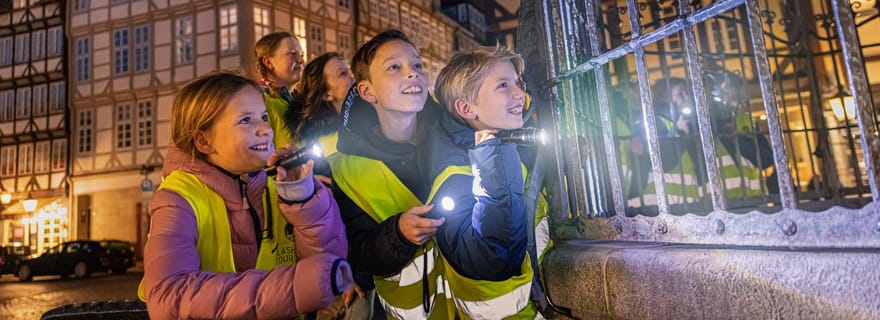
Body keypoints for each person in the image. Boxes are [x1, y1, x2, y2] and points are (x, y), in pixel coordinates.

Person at [139, 71, 352, 319]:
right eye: (246, 120)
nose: (265, 129)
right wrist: (293, 288)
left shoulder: (278, 183)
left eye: (264, 117)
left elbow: (328, 263)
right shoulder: (177, 198)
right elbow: (169, 296)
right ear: (203, 141)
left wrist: (303, 198)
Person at [327, 29, 453, 319]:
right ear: (367, 91)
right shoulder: (348, 168)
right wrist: (398, 235)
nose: (412, 73)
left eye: (417, 65)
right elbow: (358, 251)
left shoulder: (456, 136)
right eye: (394, 67)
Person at [428, 45, 551, 319]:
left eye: (518, 83)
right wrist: (492, 157)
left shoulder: (512, 145)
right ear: (466, 108)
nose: (520, 93)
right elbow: (491, 257)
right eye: (503, 85)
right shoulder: (453, 173)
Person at [288, 53, 375, 320]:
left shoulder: (367, 126)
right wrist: (341, 269)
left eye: (349, 70)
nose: (352, 76)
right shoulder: (319, 145)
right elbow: (325, 219)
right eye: (342, 74)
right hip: (352, 266)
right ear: (326, 94)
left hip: (378, 250)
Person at [255, 32, 306, 149]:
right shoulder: (261, 103)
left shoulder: (300, 102)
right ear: (268, 62)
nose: (301, 61)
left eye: (302, 55)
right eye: (292, 54)